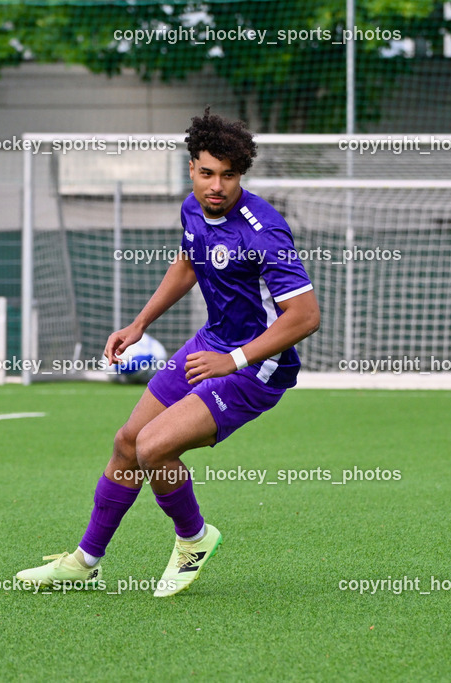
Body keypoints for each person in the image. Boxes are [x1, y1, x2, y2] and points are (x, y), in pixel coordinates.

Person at [17, 109, 320, 597]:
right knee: (127, 441)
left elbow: (305, 317)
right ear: (192, 168)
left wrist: (234, 360)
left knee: (154, 448)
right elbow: (187, 262)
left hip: (255, 368)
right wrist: (139, 324)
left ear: (241, 174)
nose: (216, 185)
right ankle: (84, 562)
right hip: (210, 344)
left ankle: (195, 539)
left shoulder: (264, 230)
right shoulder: (193, 208)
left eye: (228, 175)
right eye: (206, 173)